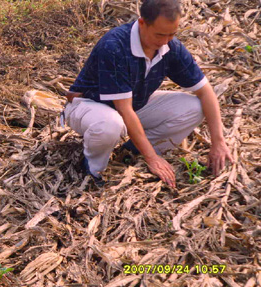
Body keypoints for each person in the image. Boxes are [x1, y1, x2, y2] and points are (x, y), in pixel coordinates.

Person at [64, 0, 232, 187]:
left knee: (195, 107)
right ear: (142, 23)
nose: (165, 41)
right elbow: (124, 109)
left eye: (172, 34)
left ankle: (131, 153)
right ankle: (93, 171)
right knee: (110, 124)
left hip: (134, 105)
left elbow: (206, 91)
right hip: (88, 106)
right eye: (160, 34)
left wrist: (218, 142)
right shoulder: (115, 46)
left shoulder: (171, 46)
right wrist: (151, 158)